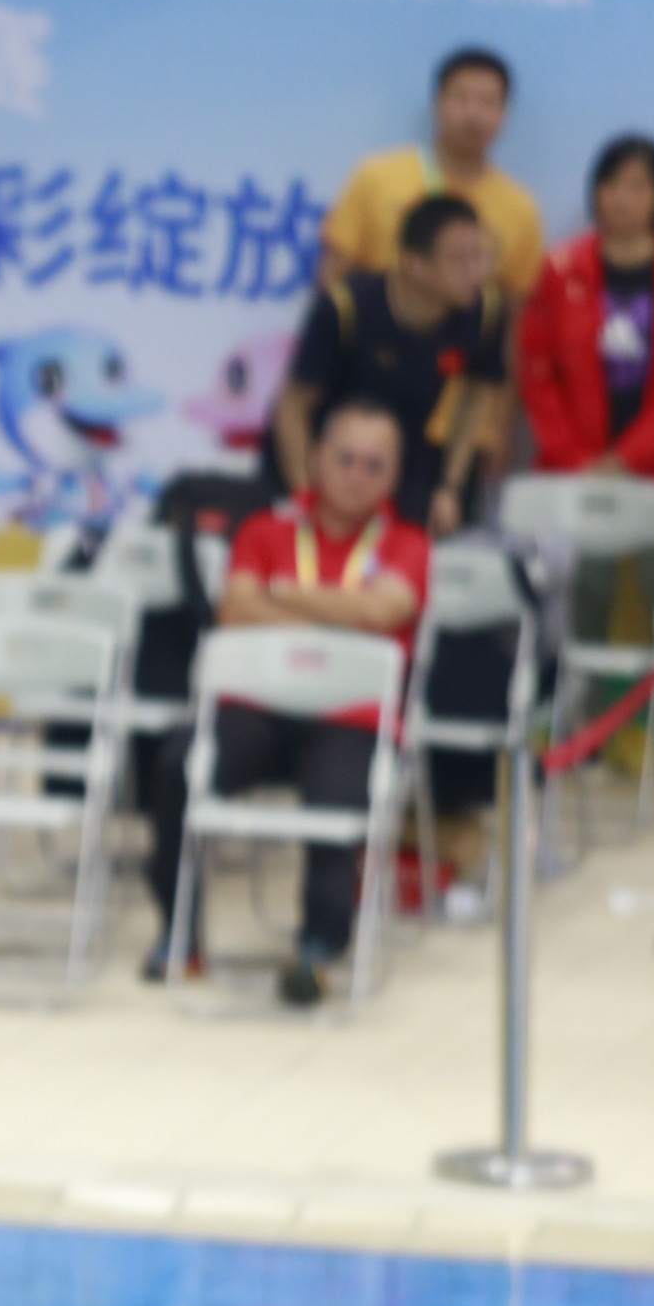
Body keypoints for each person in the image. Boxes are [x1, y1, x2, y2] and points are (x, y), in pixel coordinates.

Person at [145, 402, 428, 1008]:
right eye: (345, 458)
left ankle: (318, 950)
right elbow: (236, 610)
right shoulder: (264, 531)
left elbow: (387, 612)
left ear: (394, 476)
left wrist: (283, 594)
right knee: (177, 763)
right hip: (258, 706)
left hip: (351, 714)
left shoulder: (407, 544)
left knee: (338, 798)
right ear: (317, 459)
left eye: (374, 465)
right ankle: (179, 934)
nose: (356, 474)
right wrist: (342, 615)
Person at [518, 136, 654, 772]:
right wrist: (575, 454)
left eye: (641, 187)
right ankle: (580, 732)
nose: (627, 200)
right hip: (579, 468)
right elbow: (536, 368)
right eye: (615, 186)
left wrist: (630, 455)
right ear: (595, 192)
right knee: (587, 594)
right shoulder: (561, 270)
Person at [269, 194, 504, 535]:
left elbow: (479, 394)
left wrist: (450, 486)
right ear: (415, 264)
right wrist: (305, 493)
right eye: (459, 261)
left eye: (480, 257)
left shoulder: (485, 312)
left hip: (404, 453)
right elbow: (292, 406)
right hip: (323, 451)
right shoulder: (345, 307)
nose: (476, 272)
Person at [323, 47, 542, 303]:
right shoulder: (376, 176)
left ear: (504, 113)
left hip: (465, 342)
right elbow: (333, 278)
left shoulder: (520, 207)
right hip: (374, 338)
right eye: (461, 98)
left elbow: (515, 310)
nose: (473, 114)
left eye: (487, 102)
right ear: (437, 103)